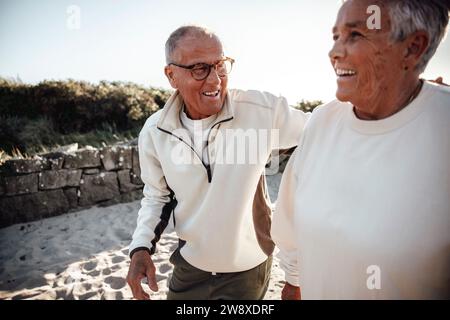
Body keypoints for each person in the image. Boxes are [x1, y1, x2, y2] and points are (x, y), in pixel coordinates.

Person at [272, 0, 450, 299]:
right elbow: (290, 220)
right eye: (336, 36)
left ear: (413, 47)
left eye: (355, 35)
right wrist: (293, 278)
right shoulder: (322, 120)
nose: (334, 52)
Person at [126, 25, 310, 300]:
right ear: (171, 75)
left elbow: (324, 132)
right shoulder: (155, 131)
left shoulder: (261, 111)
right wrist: (141, 248)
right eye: (200, 68)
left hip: (249, 268)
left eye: (221, 65)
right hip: (189, 266)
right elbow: (157, 197)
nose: (215, 80)